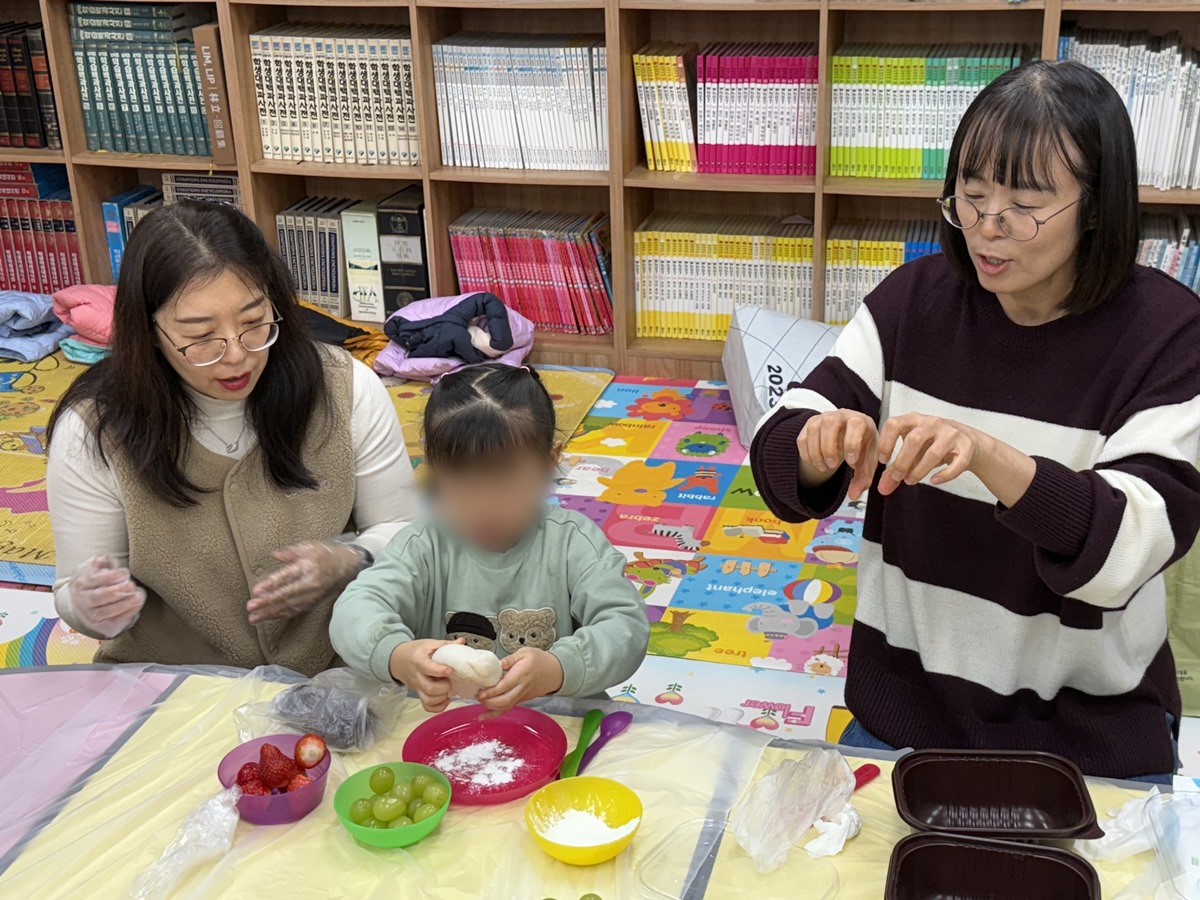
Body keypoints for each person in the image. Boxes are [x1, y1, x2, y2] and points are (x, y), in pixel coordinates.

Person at [751, 60, 1200, 782]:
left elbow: (1132, 543)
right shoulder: (913, 301)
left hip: (1087, 737)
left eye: (1024, 204)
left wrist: (990, 457)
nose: (988, 229)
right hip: (909, 715)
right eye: (972, 193)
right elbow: (786, 434)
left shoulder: (1168, 335)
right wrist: (817, 442)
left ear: (1095, 206)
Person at [47, 200, 419, 675]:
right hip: (176, 684)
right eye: (201, 336)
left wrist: (350, 557)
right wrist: (91, 605)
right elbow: (77, 593)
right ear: (149, 330)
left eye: (253, 322)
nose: (237, 356)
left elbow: (407, 533)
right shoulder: (94, 429)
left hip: (335, 672)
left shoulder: (343, 387)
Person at [330, 363, 649, 713]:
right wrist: (398, 655)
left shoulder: (573, 543)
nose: (484, 508)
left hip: (562, 720)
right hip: (447, 722)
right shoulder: (423, 545)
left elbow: (625, 627)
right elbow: (354, 611)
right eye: (463, 486)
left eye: (506, 484)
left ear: (549, 464)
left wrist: (560, 668)